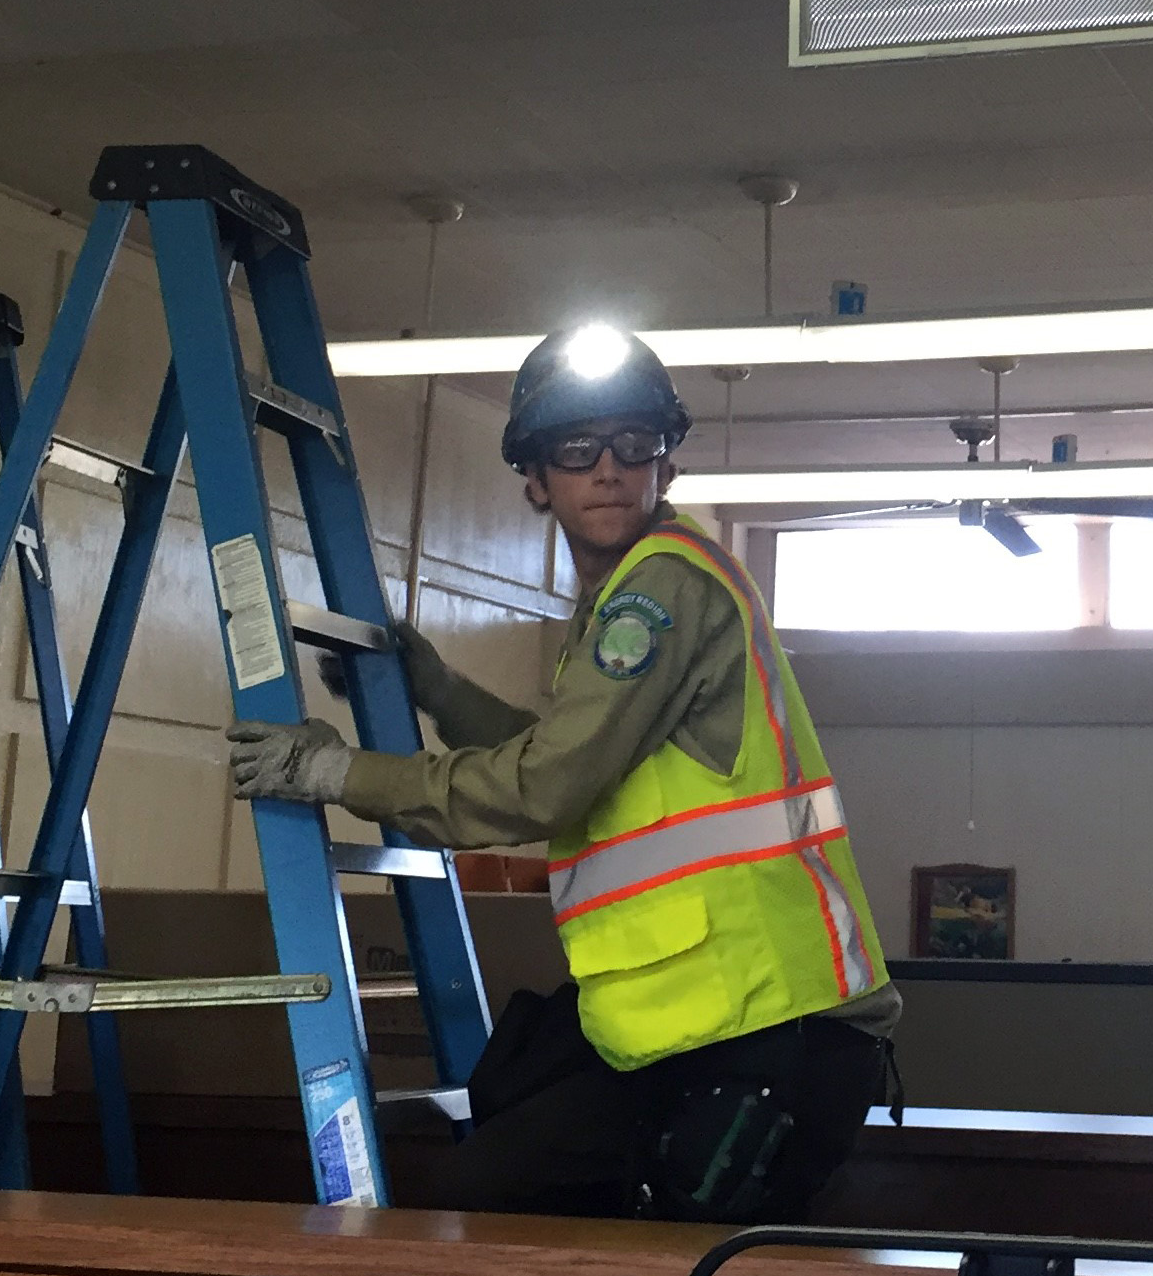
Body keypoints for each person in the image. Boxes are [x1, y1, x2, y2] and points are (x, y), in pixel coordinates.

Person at [227, 323, 899, 1221]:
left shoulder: (662, 590)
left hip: (768, 1035)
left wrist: (338, 773)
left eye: (636, 443)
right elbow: (565, 760)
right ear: (537, 480)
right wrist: (436, 690)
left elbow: (545, 786)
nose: (611, 467)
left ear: (668, 466)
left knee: (506, 1209)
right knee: (512, 1162)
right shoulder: (622, 599)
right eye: (579, 448)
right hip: (699, 1027)